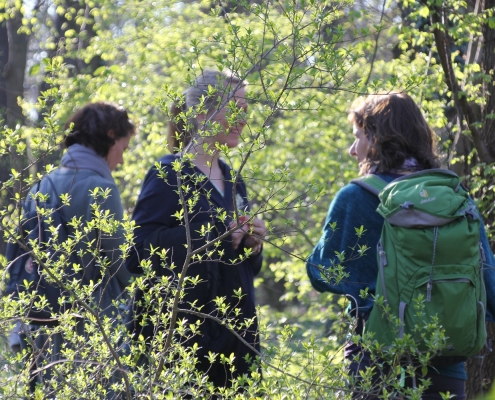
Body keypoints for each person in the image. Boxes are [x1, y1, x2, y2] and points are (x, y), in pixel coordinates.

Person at [306, 92, 495, 399]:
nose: (353, 150)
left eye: (358, 138)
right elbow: (490, 284)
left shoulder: (356, 198)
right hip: (446, 365)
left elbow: (323, 274)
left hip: (378, 365)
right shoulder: (458, 200)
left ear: (377, 139)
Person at [125, 69, 266, 389]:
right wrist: (216, 232)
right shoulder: (169, 173)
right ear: (203, 113)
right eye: (235, 109)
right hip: (184, 344)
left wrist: (252, 241)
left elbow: (245, 266)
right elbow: (137, 253)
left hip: (235, 340)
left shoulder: (233, 178)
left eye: (245, 111)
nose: (243, 119)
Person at [18, 102, 136, 395]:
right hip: (92, 333)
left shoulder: (40, 187)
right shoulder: (100, 189)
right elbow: (122, 268)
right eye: (123, 147)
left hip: (42, 330)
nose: (120, 160)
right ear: (110, 135)